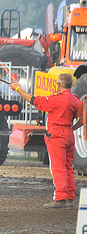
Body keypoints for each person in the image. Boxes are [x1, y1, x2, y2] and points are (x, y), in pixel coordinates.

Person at [10, 73, 85, 209]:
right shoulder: (75, 100)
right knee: (68, 167)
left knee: (58, 167)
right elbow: (82, 119)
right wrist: (71, 128)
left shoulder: (55, 99)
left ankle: (60, 198)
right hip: (69, 133)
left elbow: (33, 100)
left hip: (56, 134)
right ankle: (69, 198)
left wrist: (18, 89)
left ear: (59, 84)